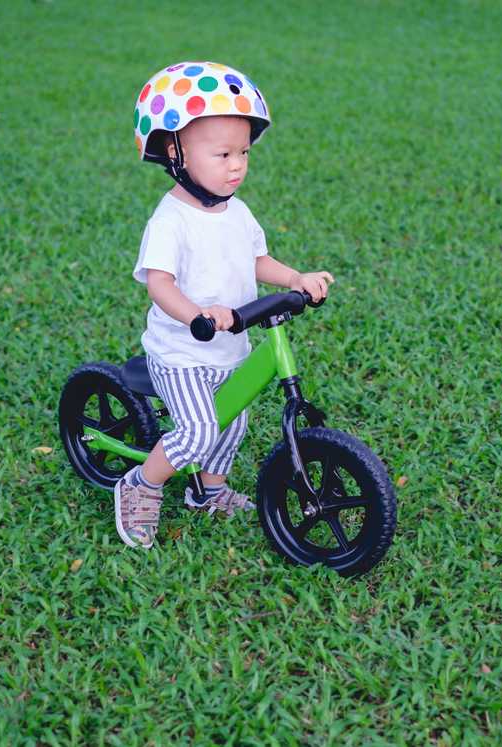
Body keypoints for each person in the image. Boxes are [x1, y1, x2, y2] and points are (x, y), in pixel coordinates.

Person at [116, 61, 333, 550]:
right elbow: (160, 284)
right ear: (175, 152)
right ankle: (140, 485)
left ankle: (207, 493)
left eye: (243, 153)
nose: (237, 165)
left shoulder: (237, 212)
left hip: (228, 348)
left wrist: (295, 277)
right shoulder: (171, 220)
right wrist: (195, 314)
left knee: (232, 424)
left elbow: (256, 259)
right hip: (183, 353)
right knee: (196, 432)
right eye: (222, 154)